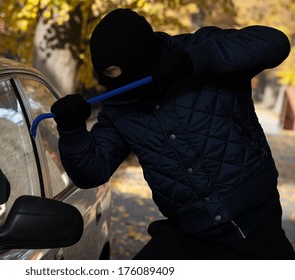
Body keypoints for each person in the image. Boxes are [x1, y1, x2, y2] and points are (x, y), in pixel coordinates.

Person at [50, 8, 295, 259]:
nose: (110, 82)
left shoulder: (198, 47)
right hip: (189, 236)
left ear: (140, 57)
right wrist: (72, 130)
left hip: (256, 224)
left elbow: (275, 43)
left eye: (114, 72)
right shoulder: (120, 106)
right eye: (105, 75)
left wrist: (197, 60)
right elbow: (91, 171)